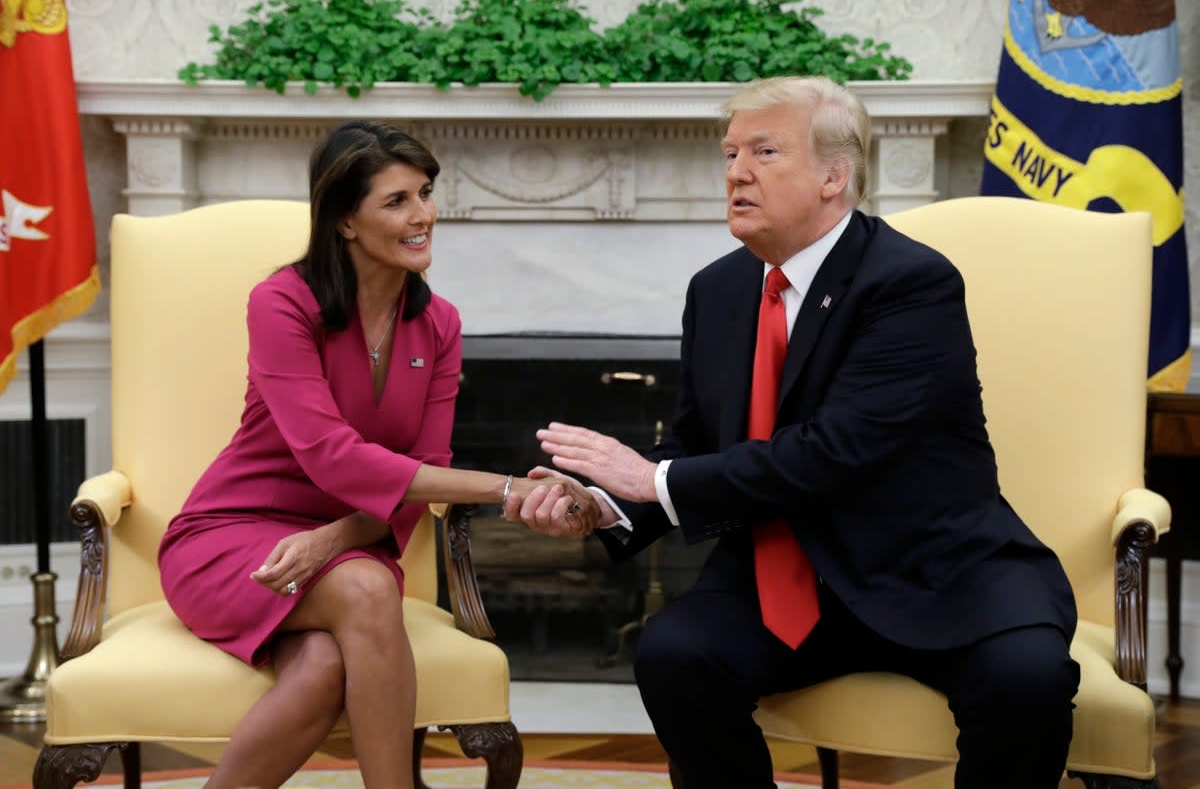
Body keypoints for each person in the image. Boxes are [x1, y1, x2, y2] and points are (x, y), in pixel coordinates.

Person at [507, 77, 1080, 789]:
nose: (735, 172)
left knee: (1027, 682)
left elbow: (836, 454)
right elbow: (694, 441)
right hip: (786, 578)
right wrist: (605, 504)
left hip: (935, 571)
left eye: (765, 151)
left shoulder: (910, 283)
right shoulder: (717, 290)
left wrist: (648, 478)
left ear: (834, 176)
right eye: (730, 153)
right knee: (673, 655)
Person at [157, 119, 598, 789]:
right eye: (396, 202)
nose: (422, 216)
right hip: (231, 538)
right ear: (344, 221)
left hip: (352, 541)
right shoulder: (282, 303)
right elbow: (333, 458)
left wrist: (333, 539)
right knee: (365, 587)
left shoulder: (438, 321)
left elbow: (419, 473)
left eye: (424, 193)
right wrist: (509, 490)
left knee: (324, 667)